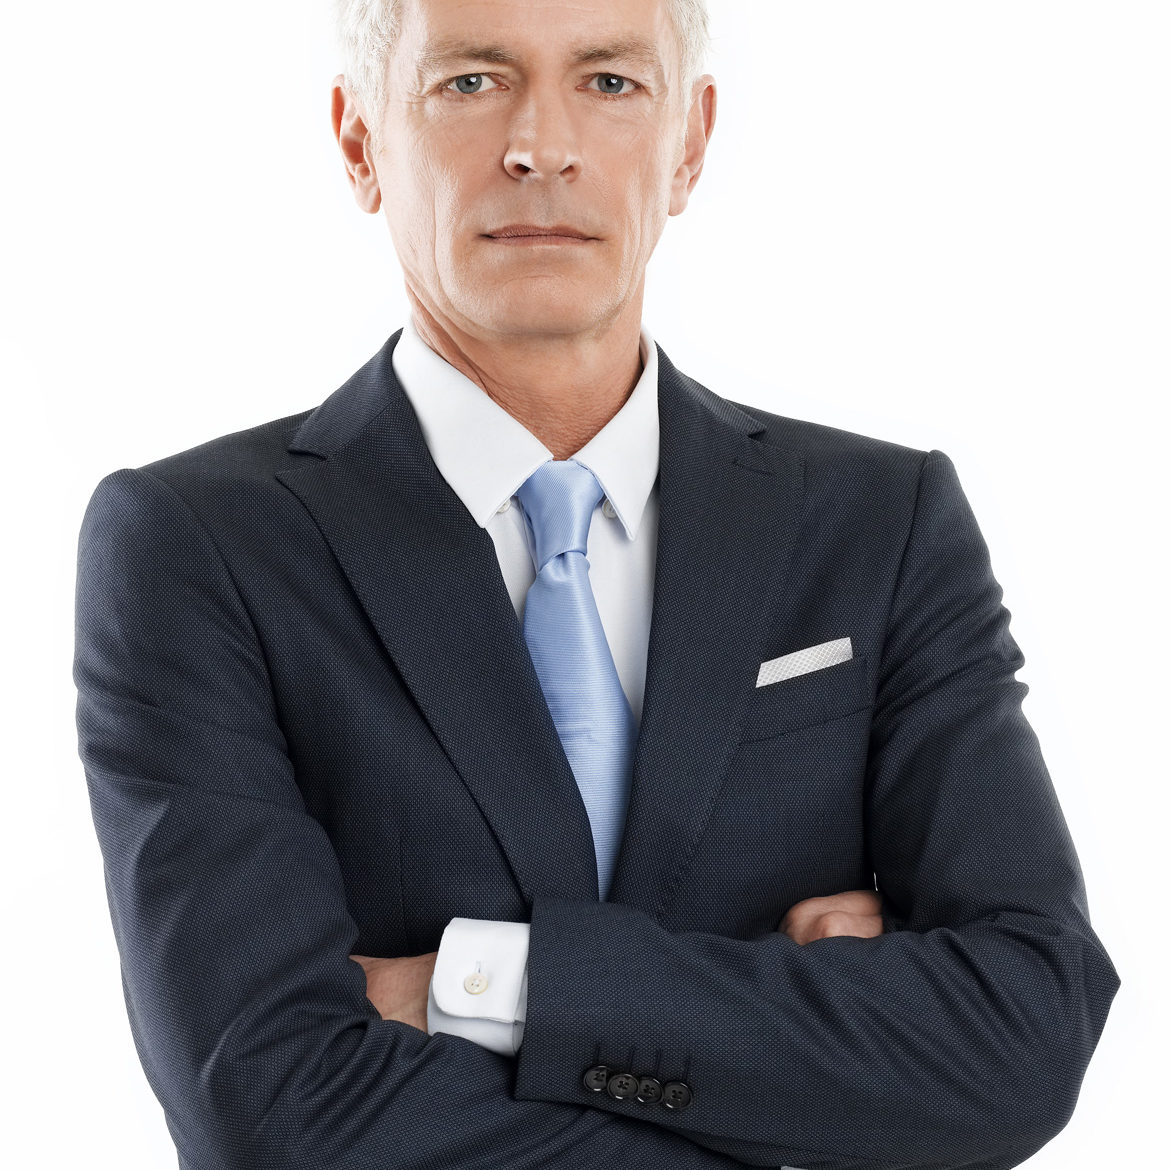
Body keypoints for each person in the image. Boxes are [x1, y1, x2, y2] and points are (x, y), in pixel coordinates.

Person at [73, 0, 1119, 1167]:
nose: (541, 145)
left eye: (610, 83)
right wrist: (817, 1094)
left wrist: (486, 983)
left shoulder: (881, 524)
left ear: (690, 144)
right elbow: (270, 1111)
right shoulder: (196, 546)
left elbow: (1026, 1030)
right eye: (472, 82)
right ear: (362, 143)